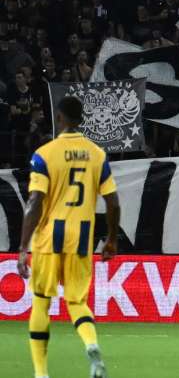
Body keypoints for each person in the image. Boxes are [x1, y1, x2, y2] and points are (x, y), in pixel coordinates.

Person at [18, 96, 121, 378]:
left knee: (41, 301)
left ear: (59, 118)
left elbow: (35, 201)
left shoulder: (45, 154)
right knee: (77, 302)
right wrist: (111, 239)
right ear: (82, 120)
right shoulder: (97, 154)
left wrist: (23, 247)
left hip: (49, 237)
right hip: (81, 238)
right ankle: (91, 345)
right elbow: (113, 203)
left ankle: (41, 373)